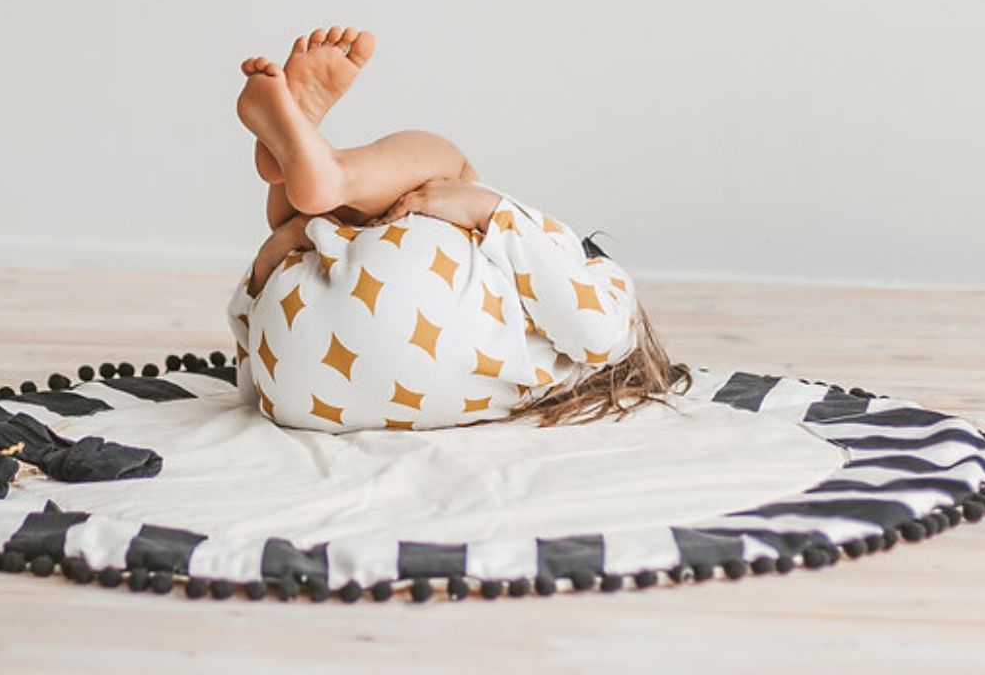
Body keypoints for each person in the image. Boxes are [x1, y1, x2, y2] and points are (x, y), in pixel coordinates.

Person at [228, 26, 691, 432]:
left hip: (315, 340)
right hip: (293, 386)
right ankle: (306, 164)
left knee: (451, 170)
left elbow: (600, 333)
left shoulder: (607, 304)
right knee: (320, 225)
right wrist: (281, 244)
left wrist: (491, 210)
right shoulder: (526, 387)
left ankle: (328, 169)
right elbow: (251, 383)